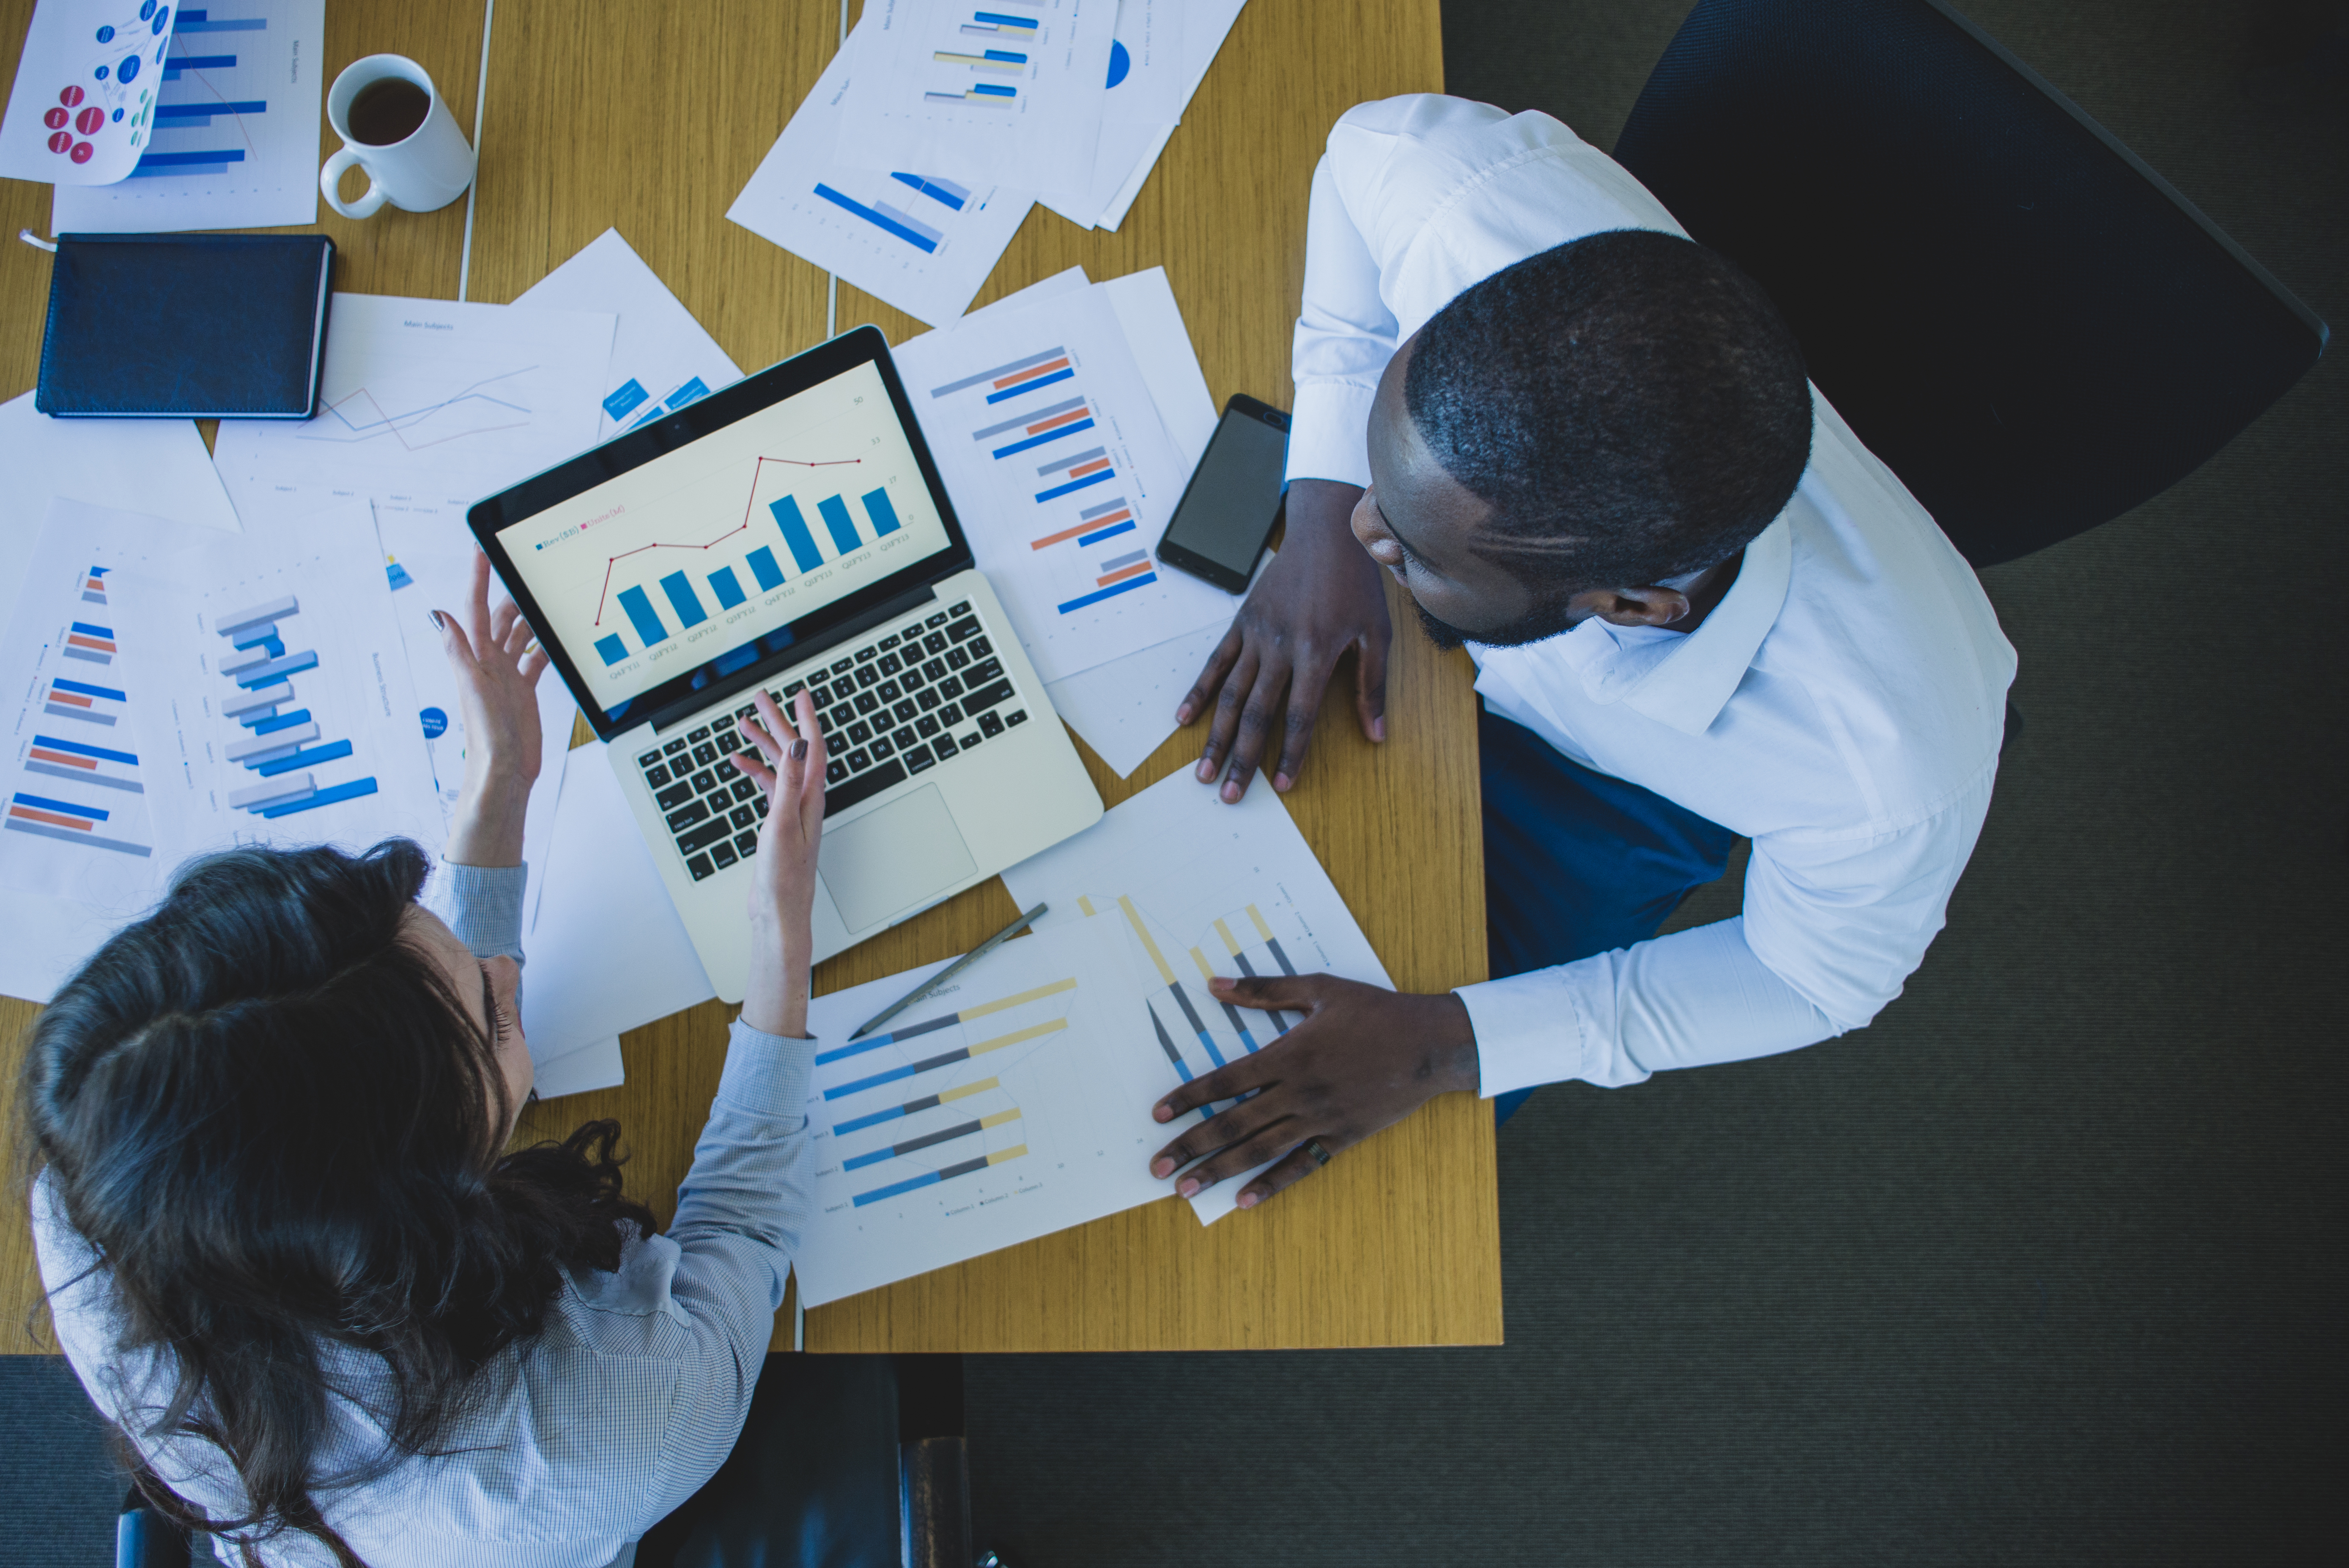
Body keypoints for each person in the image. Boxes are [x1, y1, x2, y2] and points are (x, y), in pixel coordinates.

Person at [1147, 95, 2017, 1207]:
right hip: (1499, 654)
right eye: (1384, 486)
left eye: (1411, 547)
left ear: (1634, 605)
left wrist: (1443, 1044)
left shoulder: (1879, 768)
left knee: (1351, 1141)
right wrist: (1319, 514)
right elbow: (1360, 154)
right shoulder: (1471, 205)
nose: (1377, 532)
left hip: (1630, 791)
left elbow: (1812, 983)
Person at [21, 555, 851, 1567]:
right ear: (433, 1199)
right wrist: (780, 933)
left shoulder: (101, 1171)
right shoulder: (615, 1427)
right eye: (494, 1021)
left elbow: (358, 1042)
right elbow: (748, 1231)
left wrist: (497, 788)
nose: (507, 976)